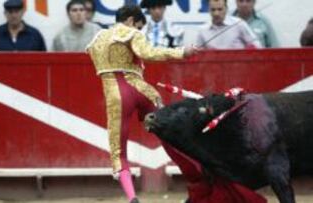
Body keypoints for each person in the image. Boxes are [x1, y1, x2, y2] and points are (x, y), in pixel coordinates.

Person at [86, 5, 199, 203]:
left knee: (118, 151)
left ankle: (131, 198)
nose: (138, 30)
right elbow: (148, 53)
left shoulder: (96, 40)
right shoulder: (131, 33)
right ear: (130, 20)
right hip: (142, 90)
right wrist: (182, 52)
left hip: (115, 95)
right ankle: (200, 181)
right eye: (138, 26)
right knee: (171, 135)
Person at [197, 0, 262, 49]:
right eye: (213, 10)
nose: (216, 13)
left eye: (220, 9)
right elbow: (198, 54)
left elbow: (257, 46)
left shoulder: (239, 24)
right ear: (208, 10)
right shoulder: (202, 30)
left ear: (226, 9)